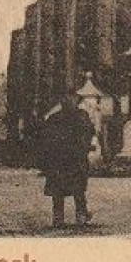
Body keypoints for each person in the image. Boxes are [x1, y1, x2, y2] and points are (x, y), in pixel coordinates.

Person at [39, 93, 96, 229]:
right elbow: (89, 133)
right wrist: (87, 147)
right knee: (78, 190)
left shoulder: (54, 118)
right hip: (75, 159)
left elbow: (46, 139)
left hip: (58, 160)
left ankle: (58, 218)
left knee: (59, 191)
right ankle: (81, 216)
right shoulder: (81, 116)